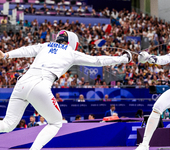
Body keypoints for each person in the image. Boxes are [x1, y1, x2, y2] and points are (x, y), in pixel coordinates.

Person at [0, 30, 131, 150]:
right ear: (73, 42)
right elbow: (97, 60)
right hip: (40, 84)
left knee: (8, 124)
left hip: (22, 83)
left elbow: (26, 50)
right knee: (56, 123)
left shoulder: (46, 45)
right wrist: (123, 58)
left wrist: (6, 54)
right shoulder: (71, 52)